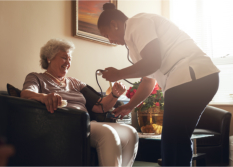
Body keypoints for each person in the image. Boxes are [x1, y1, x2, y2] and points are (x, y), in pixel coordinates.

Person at [97, 3, 220, 166]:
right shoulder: (134, 43)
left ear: (115, 24)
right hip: (198, 77)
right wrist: (130, 106)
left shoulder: (137, 23)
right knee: (176, 141)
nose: (110, 40)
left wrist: (119, 73)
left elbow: (153, 62)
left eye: (107, 35)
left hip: (190, 75)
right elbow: (149, 81)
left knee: (172, 143)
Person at [20, 38, 138, 167]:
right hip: (62, 125)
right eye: (64, 58)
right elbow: (25, 93)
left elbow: (100, 107)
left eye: (70, 59)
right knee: (107, 133)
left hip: (85, 123)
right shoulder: (37, 77)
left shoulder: (75, 82)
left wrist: (115, 94)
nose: (68, 63)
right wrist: (44, 97)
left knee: (130, 132)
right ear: (49, 58)